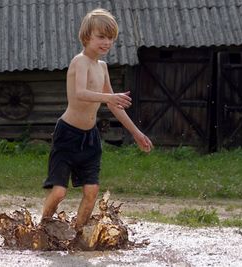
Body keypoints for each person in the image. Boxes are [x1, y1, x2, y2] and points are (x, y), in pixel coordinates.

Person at [41, 8, 153, 232]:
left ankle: (78, 233)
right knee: (60, 192)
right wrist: (109, 96)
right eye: (101, 36)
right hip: (67, 135)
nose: (107, 42)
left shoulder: (102, 67)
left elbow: (113, 104)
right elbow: (81, 93)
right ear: (86, 37)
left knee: (91, 191)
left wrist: (136, 133)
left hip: (90, 138)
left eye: (110, 37)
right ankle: (41, 229)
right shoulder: (79, 61)